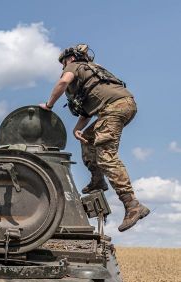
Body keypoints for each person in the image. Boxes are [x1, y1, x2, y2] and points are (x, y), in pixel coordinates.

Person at [40, 44, 149, 232]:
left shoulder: (73, 67)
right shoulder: (93, 71)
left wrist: (49, 105)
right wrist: (77, 129)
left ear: (71, 58)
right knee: (89, 139)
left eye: (63, 62)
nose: (63, 66)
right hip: (121, 106)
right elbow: (88, 111)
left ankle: (132, 205)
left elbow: (63, 82)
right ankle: (97, 180)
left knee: (106, 156)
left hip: (113, 109)